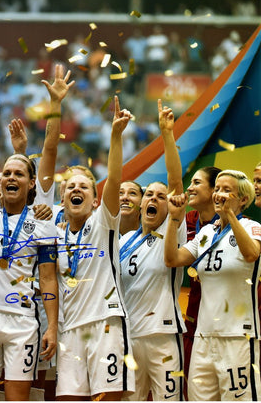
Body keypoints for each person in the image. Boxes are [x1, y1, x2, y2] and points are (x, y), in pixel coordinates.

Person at [0, 106, 59, 400]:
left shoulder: (41, 220)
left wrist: (52, 327)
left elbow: (48, 279)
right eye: (6, 173)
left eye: (19, 173)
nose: (11, 177)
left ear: (31, 183)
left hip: (22, 321)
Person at [56, 96, 134, 400]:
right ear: (62, 200)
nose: (76, 189)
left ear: (96, 199)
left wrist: (115, 135)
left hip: (106, 323)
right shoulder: (54, 235)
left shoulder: (104, 223)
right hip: (70, 329)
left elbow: (114, 179)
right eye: (70, 187)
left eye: (84, 186)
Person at [165, 169, 261, 400]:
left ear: (243, 199)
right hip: (203, 337)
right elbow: (172, 259)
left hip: (238, 336)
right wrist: (174, 218)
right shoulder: (206, 232)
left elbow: (251, 254)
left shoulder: (252, 227)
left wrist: (230, 216)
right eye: (217, 189)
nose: (219, 195)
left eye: (227, 190)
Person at [120, 100, 186, 401]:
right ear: (139, 201)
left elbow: (175, 183)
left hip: (163, 335)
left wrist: (167, 135)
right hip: (130, 337)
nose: (155, 199)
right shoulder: (122, 243)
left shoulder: (172, 229)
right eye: (149, 194)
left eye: (161, 197)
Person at [181, 165, 221, 399]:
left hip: (226, 324)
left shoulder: (233, 225)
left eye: (197, 182)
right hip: (194, 319)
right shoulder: (186, 221)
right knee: (194, 391)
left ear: (215, 189)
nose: (190, 187)